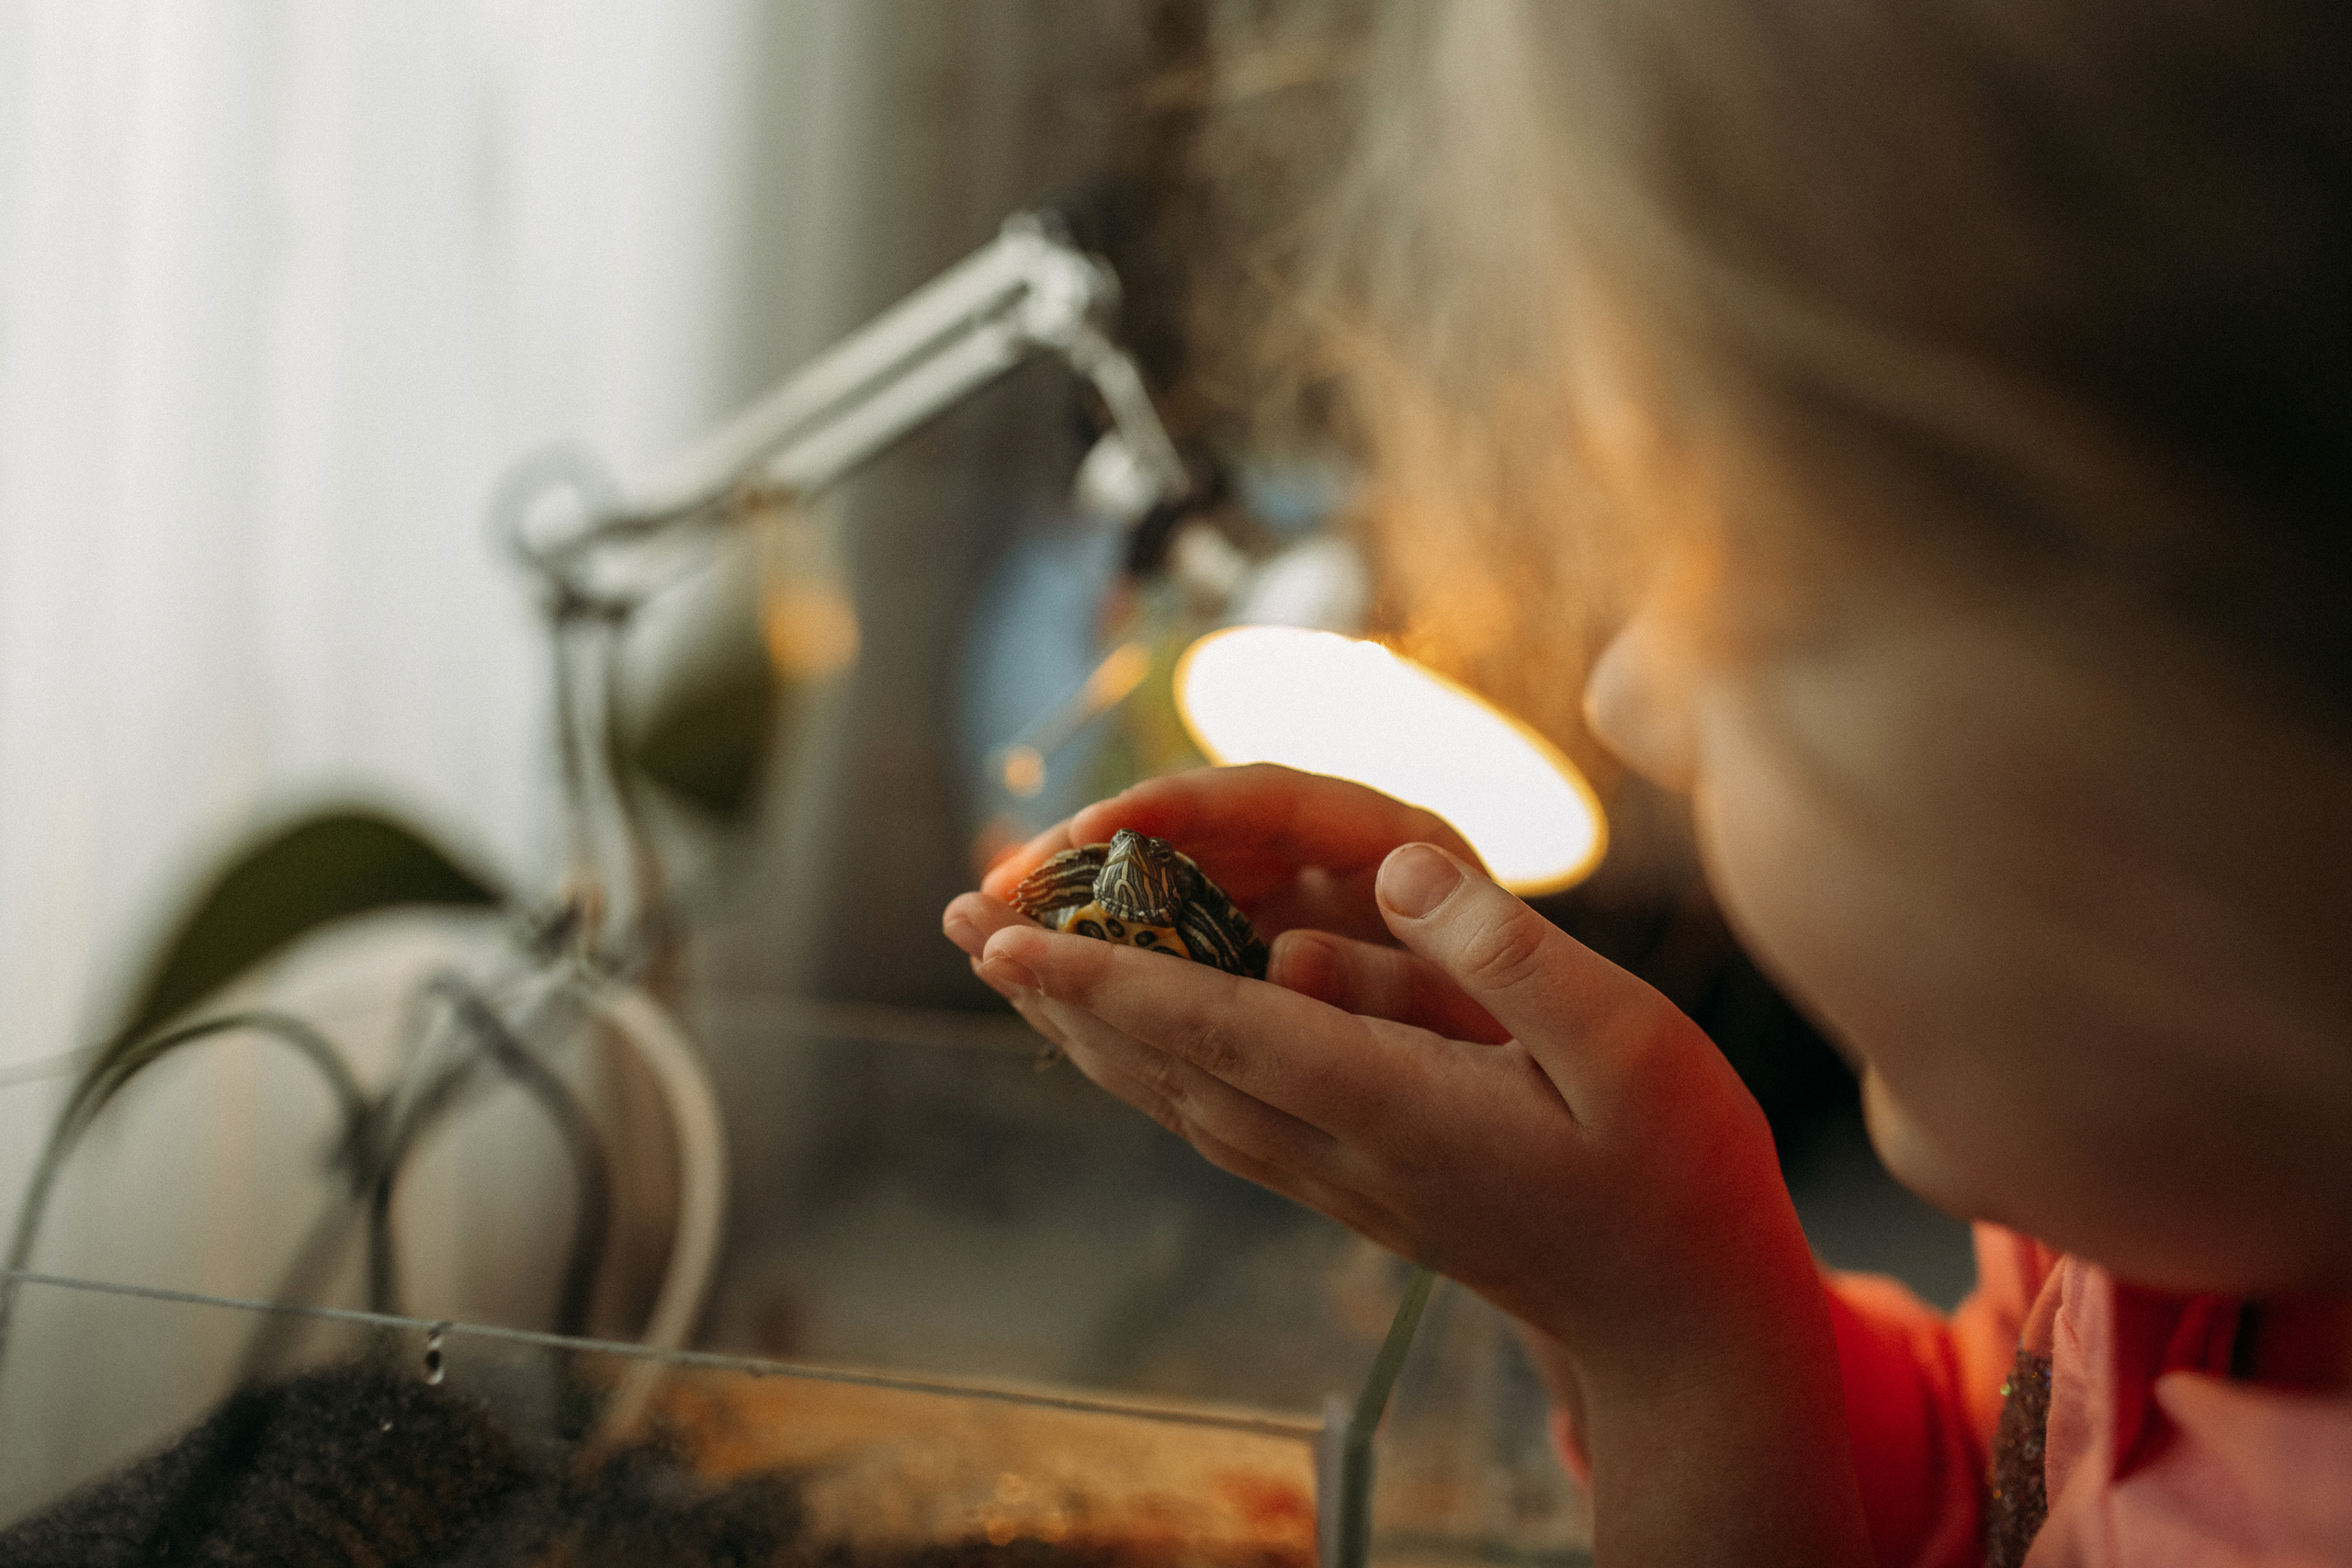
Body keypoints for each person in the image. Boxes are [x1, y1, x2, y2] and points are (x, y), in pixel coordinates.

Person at [946, 2, 2352, 1562]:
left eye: (1735, 573)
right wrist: (1637, 1266)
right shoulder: (2171, 1212)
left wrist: (1668, 1349)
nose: (1628, 698)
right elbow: (1989, 1502)